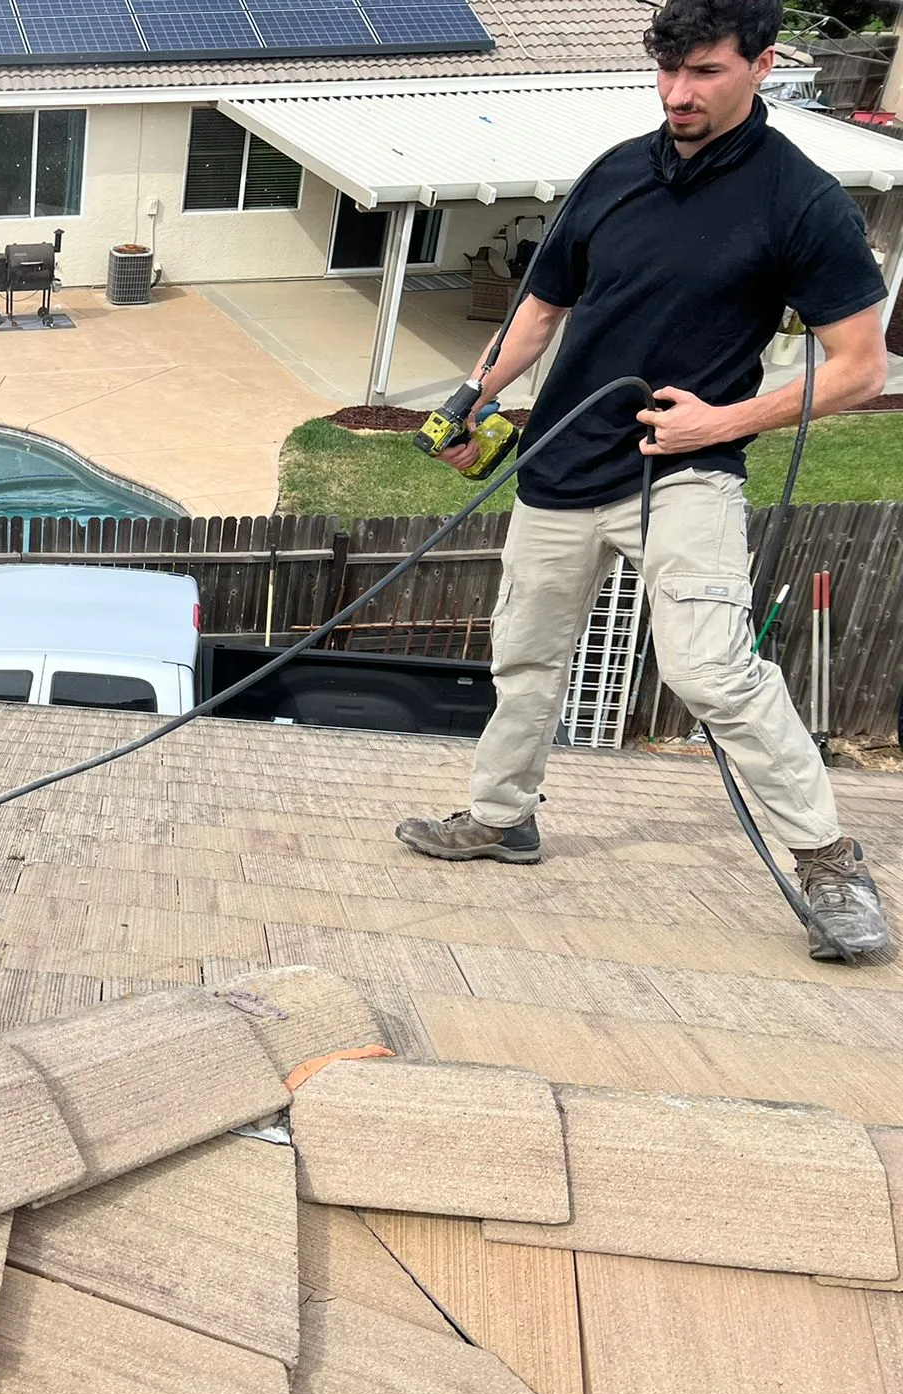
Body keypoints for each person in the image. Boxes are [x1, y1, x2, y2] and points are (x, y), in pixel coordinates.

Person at [393, 0, 893, 961]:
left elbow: (860, 366)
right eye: (665, 71)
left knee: (713, 670)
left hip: (687, 470)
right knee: (526, 657)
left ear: (763, 63)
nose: (677, 94)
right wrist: (466, 402)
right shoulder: (618, 173)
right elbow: (540, 311)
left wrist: (725, 419)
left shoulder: (802, 200)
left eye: (704, 71)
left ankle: (832, 864)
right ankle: (504, 819)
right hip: (561, 468)